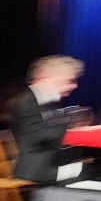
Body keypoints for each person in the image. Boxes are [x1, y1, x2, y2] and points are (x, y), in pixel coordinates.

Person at [8, 55, 85, 184]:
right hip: (36, 172)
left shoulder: (50, 101)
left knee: (96, 170)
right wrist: (71, 125)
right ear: (50, 77)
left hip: (52, 167)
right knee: (88, 173)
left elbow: (56, 131)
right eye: (70, 81)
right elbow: (36, 136)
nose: (74, 86)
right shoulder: (25, 102)